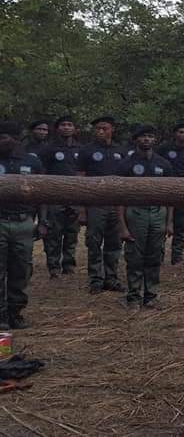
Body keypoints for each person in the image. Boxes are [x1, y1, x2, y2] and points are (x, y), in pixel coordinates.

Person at [116, 125, 173, 309]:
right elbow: (119, 197)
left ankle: (151, 296)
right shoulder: (126, 163)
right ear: (136, 140)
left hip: (158, 213)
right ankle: (133, 297)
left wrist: (169, 222)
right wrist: (122, 226)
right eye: (143, 136)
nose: (147, 139)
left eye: (150, 136)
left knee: (155, 255)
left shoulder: (163, 164)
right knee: (134, 256)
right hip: (136, 212)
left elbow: (169, 195)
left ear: (154, 140)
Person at [0, 121, 44, 329]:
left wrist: (42, 222)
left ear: (15, 139)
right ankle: (1, 316)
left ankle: (15, 312)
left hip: (23, 222)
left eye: (3, 137)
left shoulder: (32, 162)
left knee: (21, 269)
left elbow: (45, 194)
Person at [77, 115, 126, 294]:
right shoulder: (86, 150)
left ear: (112, 129)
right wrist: (82, 209)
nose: (100, 131)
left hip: (116, 205)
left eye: (104, 128)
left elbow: (127, 180)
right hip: (95, 204)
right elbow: (80, 179)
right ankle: (96, 280)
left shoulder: (122, 150)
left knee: (114, 243)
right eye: (97, 128)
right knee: (94, 242)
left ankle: (111, 278)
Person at [39, 115, 81, 278]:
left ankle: (69, 265)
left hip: (75, 197)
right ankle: (54, 267)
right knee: (54, 234)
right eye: (63, 125)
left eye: (69, 124)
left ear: (74, 128)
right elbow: (42, 174)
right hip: (55, 198)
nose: (66, 127)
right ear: (57, 129)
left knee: (72, 234)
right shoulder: (49, 149)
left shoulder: (80, 149)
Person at [156, 121, 184, 265]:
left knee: (181, 224)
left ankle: (177, 257)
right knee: (161, 224)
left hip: (182, 191)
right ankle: (158, 256)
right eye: (181, 132)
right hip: (164, 189)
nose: (183, 135)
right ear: (175, 133)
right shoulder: (163, 148)